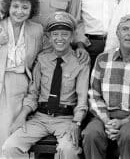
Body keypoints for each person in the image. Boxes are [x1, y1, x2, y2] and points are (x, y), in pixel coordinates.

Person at [2, 11, 90, 159]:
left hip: (65, 119)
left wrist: (77, 122)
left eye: (64, 34)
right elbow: (33, 93)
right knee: (10, 146)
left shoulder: (80, 63)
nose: (59, 38)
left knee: (67, 150)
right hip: (40, 118)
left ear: (72, 36)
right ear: (49, 37)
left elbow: (82, 100)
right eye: (55, 34)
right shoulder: (42, 59)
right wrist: (22, 115)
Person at [82, 14, 130, 159]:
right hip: (106, 116)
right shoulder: (103, 59)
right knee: (91, 133)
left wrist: (124, 122)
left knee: (128, 134)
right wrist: (107, 121)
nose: (129, 33)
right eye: (125, 29)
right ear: (117, 33)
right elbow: (94, 95)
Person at [0, 0, 43, 153]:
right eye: (15, 6)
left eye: (25, 7)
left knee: (14, 128)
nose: (19, 11)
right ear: (8, 6)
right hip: (1, 79)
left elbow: (39, 61)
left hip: (21, 83)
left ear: (31, 9)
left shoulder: (36, 30)